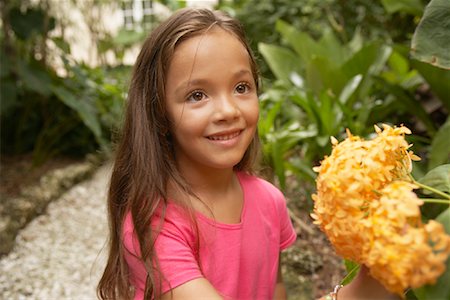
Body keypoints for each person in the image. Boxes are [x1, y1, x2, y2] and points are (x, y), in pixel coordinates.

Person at [97, 7, 398, 300]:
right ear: (159, 112)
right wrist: (359, 291)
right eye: (197, 95)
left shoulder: (269, 201)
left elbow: (275, 290)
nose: (228, 111)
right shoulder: (155, 223)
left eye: (241, 87)